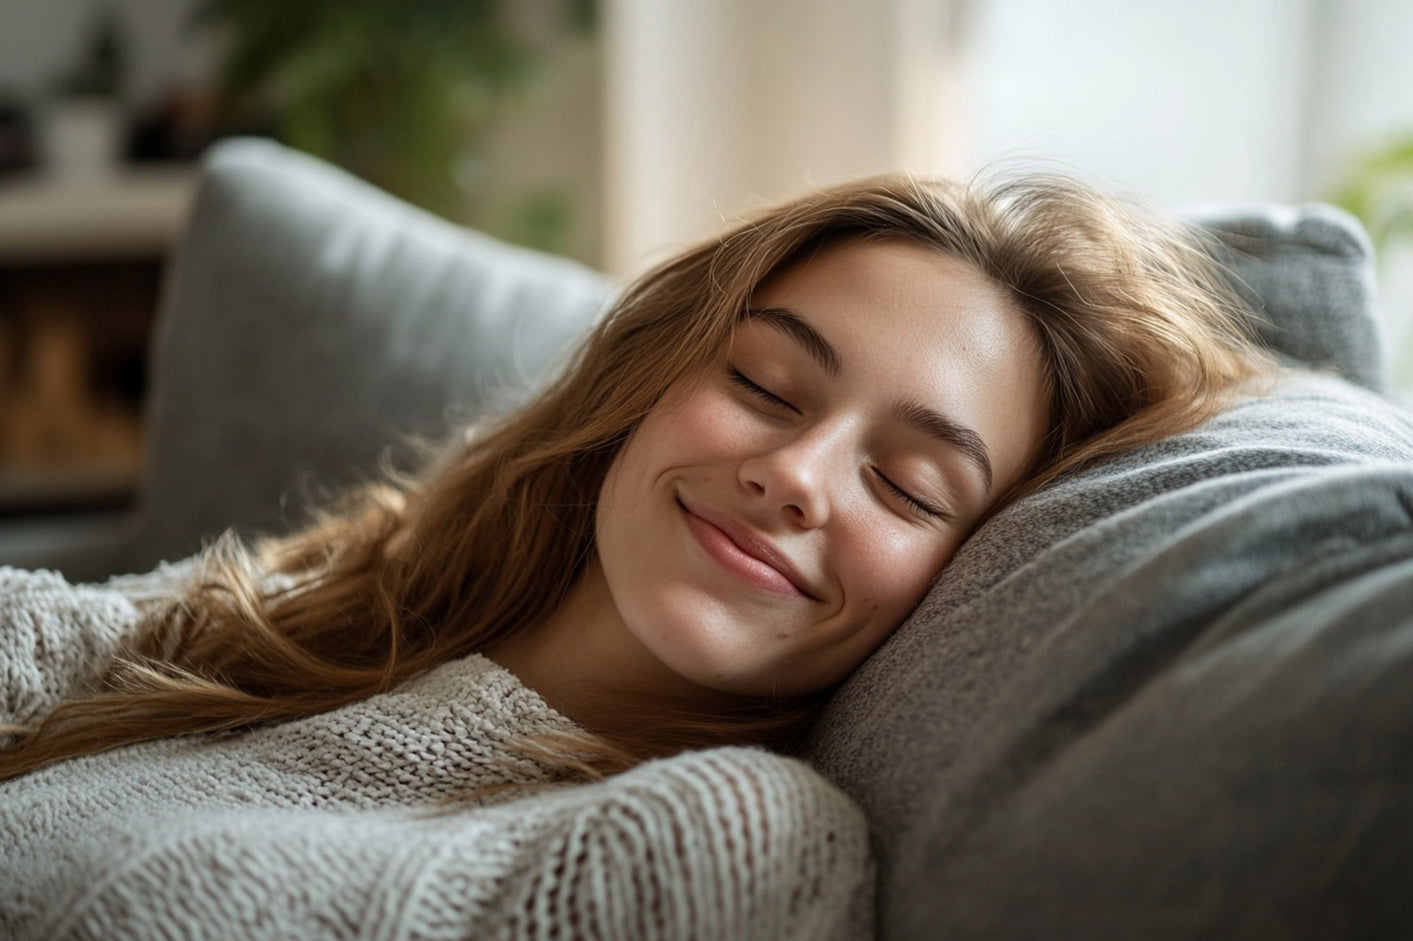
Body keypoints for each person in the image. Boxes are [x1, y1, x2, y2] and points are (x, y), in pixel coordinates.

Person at [0, 170, 1266, 937]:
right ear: (650, 379)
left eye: (905, 483)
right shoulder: (314, 603)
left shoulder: (726, 840)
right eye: (769, 385)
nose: (796, 475)